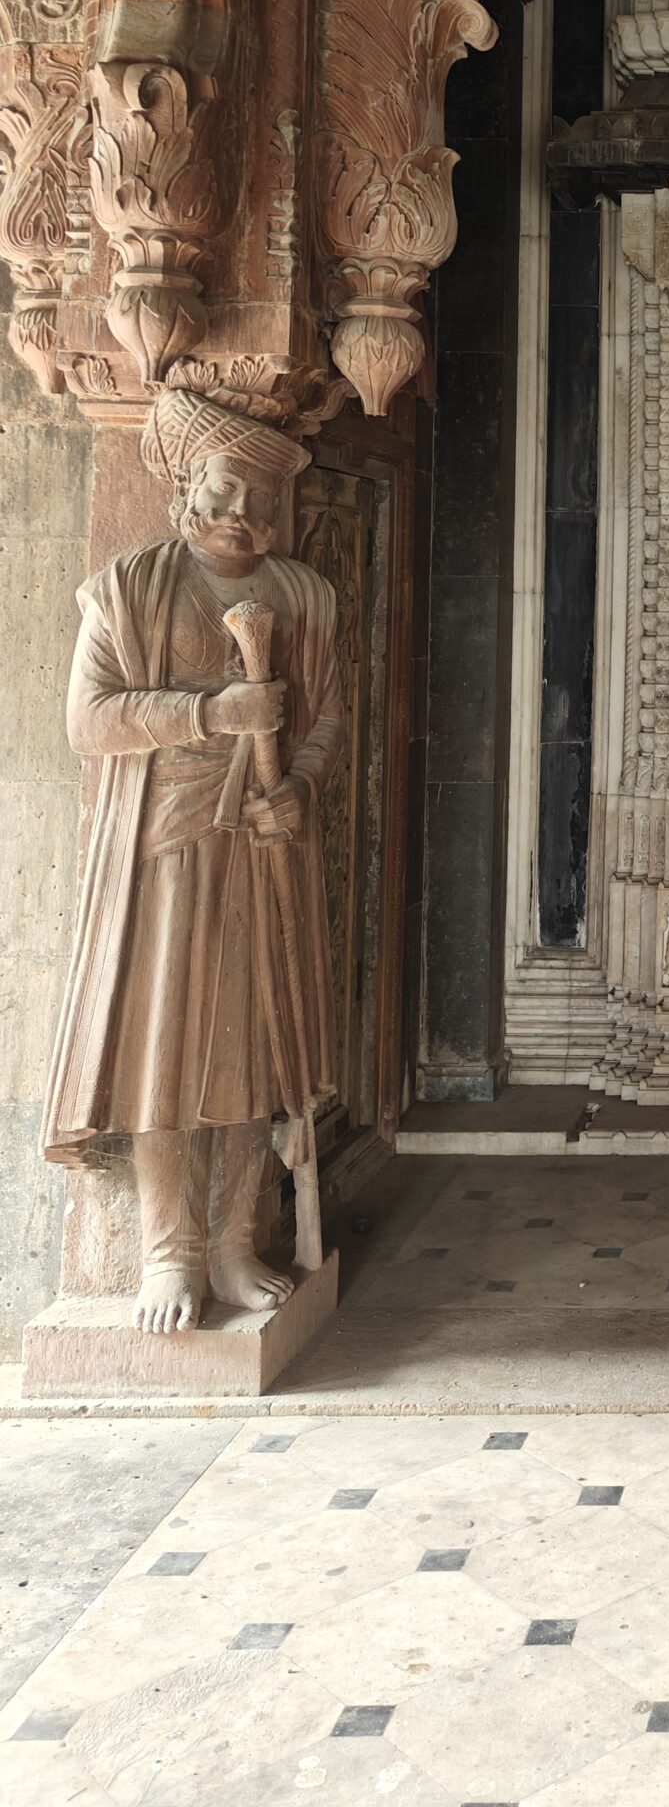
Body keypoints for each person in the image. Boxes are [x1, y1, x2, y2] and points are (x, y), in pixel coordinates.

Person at [42, 388, 342, 1334]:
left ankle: (231, 1241)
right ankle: (166, 1250)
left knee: (254, 1045)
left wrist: (296, 784)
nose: (244, 511)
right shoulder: (129, 587)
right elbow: (90, 722)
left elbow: (327, 715)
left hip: (258, 840)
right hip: (163, 848)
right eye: (225, 488)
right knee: (164, 1048)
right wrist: (213, 713)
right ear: (185, 495)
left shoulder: (300, 594)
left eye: (261, 495)